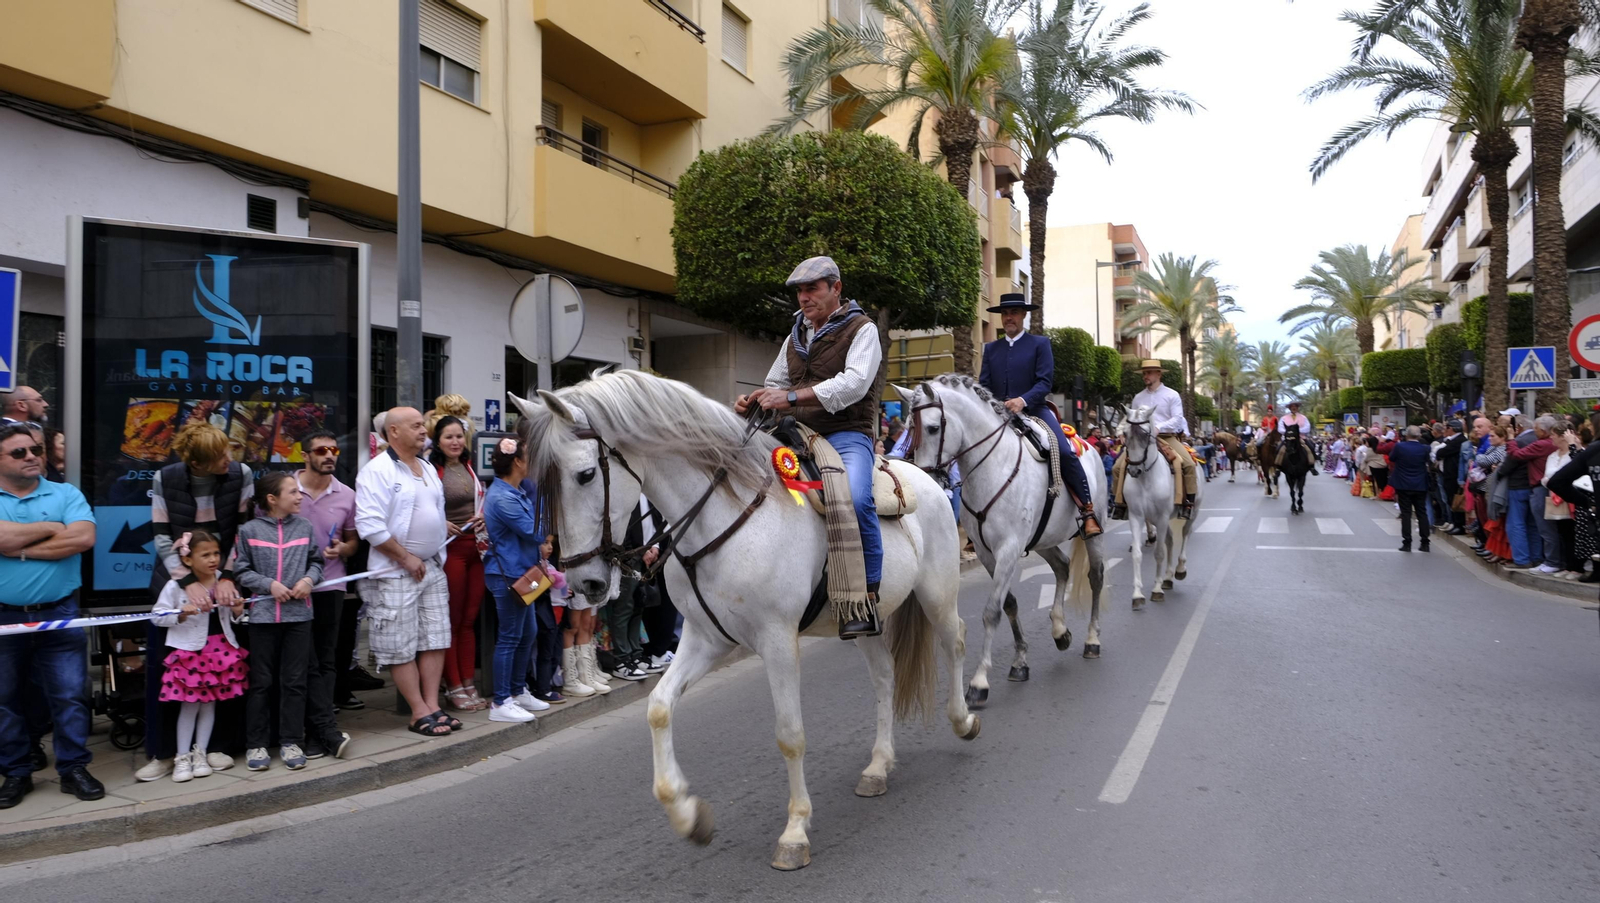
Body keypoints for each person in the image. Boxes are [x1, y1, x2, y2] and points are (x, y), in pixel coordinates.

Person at [736, 255, 884, 639]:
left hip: (845, 432)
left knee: (856, 497)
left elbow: (853, 384)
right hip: (795, 434)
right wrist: (756, 401)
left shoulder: (863, 329)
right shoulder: (795, 335)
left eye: (812, 289)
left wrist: (788, 397)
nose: (804, 297)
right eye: (800, 291)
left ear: (836, 288)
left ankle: (866, 597)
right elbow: (775, 384)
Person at [140, 422, 253, 782]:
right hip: (176, 580)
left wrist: (228, 577)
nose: (228, 459)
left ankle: (216, 746)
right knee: (170, 671)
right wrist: (187, 582)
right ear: (198, 463)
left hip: (223, 576)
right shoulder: (166, 478)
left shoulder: (241, 474)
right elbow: (161, 535)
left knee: (225, 666)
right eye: (220, 455)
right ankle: (163, 753)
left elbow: (244, 531)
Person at [0, 424, 101, 809]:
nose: (32, 457)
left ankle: (73, 768)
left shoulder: (66, 493)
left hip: (59, 614)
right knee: (4, 699)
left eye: (36, 450)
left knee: (70, 695)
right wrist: (49, 528)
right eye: (19, 452)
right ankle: (16, 772)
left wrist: (18, 548)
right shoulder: (57, 507)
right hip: (4, 618)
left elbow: (83, 538)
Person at [355, 407, 456, 737]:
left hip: (432, 566)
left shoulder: (426, 466)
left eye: (422, 425)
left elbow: (430, 510)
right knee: (399, 644)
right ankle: (418, 711)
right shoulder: (377, 470)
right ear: (394, 432)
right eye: (416, 426)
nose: (424, 430)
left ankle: (433, 706)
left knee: (436, 638)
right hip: (396, 571)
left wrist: (439, 530)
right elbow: (369, 526)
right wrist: (405, 558)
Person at [974, 293, 1102, 537]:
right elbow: (985, 385)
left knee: (1063, 450)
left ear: (1023, 315)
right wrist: (991, 404)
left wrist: (1022, 400)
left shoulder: (1039, 344)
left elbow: (1044, 382)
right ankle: (976, 523)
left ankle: (1087, 510)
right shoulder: (991, 349)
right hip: (999, 414)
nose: (1009, 317)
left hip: (1035, 410)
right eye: (1005, 313)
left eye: (1013, 312)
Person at [233, 472, 326, 771]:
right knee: (261, 682)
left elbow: (317, 562)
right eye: (292, 492)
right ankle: (256, 744)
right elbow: (241, 571)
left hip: (299, 618)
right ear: (272, 499)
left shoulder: (305, 526)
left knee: (295, 682)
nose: (299, 496)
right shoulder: (249, 530)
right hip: (262, 620)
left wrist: (309, 580)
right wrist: (269, 585)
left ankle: (291, 741)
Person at [150, 531, 248, 783]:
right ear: (188, 559)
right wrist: (181, 613)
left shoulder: (224, 581)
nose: (213, 559)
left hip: (220, 652)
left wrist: (238, 611)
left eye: (216, 553)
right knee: (189, 705)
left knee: (209, 704)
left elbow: (235, 618)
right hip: (191, 653)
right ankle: (182, 757)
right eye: (205, 555)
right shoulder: (175, 585)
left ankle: (200, 754)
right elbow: (157, 616)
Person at [295, 429, 359, 756]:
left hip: (331, 583)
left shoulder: (346, 494)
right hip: (292, 588)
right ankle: (310, 729)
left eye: (333, 450)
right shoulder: (287, 489)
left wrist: (342, 549)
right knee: (302, 661)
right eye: (321, 451)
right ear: (305, 456)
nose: (330, 455)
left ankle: (321, 729)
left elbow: (353, 541)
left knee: (326, 658)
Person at [480, 437, 551, 723]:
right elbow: (536, 533)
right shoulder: (503, 497)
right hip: (508, 575)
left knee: (528, 633)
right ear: (518, 462)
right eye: (528, 456)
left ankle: (517, 690)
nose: (532, 461)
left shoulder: (515, 491)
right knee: (510, 637)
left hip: (524, 573)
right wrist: (547, 498)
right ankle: (500, 702)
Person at [430, 416, 488, 713]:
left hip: (475, 548)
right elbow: (420, 508)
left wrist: (484, 515)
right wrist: (440, 523)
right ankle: (453, 686)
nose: (455, 442)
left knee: (469, 620)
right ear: (437, 441)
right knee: (451, 622)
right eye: (448, 437)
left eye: (458, 436)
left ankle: (468, 682)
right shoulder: (430, 469)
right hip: (449, 550)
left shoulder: (471, 466)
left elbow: (485, 499)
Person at [1111, 359, 1198, 520]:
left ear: (1159, 374)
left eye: (1149, 373)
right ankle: (1120, 504)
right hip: (1141, 438)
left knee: (1188, 464)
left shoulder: (1172, 395)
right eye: (1144, 373)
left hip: (1166, 437)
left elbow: (1177, 419)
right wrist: (1122, 432)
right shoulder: (1138, 398)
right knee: (1117, 467)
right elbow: (1132, 418)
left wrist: (1158, 427)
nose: (1146, 376)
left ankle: (1187, 504)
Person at [606, 499, 665, 682]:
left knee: (638, 606)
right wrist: (639, 551)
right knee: (623, 608)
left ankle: (635, 655)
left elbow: (655, 521)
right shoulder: (626, 492)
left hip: (646, 555)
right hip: (629, 557)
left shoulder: (648, 492)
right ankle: (621, 660)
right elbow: (623, 527)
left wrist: (655, 546)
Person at [1500, 414, 1550, 569]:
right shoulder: (1542, 440)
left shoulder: (1519, 441)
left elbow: (1510, 462)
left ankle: (1521, 559)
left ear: (1518, 427)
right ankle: (1536, 557)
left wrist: (1499, 473)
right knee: (1533, 524)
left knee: (1515, 523)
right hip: (1535, 487)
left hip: (1518, 486)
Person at [1540, 423, 1579, 578]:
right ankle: (1567, 565)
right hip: (1555, 496)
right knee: (1562, 532)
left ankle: (1577, 567)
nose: (1551, 437)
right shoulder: (1552, 456)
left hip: (1571, 497)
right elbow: (1546, 477)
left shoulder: (1576, 453)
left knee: (1574, 532)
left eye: (1554, 435)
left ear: (1563, 436)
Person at [1389, 426, 1432, 552]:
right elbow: (1428, 461)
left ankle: (1407, 542)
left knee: (1406, 513)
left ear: (1406, 435)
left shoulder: (1400, 446)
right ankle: (1425, 542)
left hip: (1403, 484)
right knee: (1421, 513)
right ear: (1419, 435)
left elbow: (1392, 458)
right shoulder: (1425, 448)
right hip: (1420, 484)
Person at [1438, 420, 1468, 535]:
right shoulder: (1451, 440)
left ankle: (1459, 525)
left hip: (1454, 475)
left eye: (1446, 427)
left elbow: (1441, 452)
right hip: (1449, 474)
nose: (1444, 430)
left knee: (1455, 499)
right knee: (1450, 499)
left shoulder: (1459, 440)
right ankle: (1455, 523)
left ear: (1451, 428)